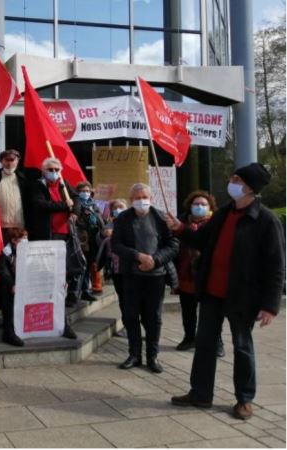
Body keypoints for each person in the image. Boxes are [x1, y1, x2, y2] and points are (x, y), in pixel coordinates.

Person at [168, 163, 285, 420]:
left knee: (242, 347)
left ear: (249, 187)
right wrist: (180, 229)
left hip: (243, 297)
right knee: (205, 344)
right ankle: (200, 393)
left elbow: (276, 266)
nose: (230, 182)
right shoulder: (223, 214)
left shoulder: (266, 220)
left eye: (236, 179)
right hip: (211, 292)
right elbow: (202, 240)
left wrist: (270, 305)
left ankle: (244, 399)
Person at [112, 183, 179, 373]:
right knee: (131, 315)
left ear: (150, 198)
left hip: (156, 276)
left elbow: (173, 245)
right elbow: (116, 244)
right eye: (137, 198)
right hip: (131, 274)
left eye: (144, 197)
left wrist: (155, 260)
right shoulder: (123, 218)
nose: (141, 201)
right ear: (131, 199)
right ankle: (134, 354)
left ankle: (152, 356)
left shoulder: (160, 217)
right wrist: (137, 256)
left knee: (154, 317)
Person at [28, 157, 82, 339]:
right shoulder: (37, 186)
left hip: (64, 237)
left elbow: (76, 200)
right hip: (45, 237)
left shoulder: (64, 184)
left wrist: (74, 212)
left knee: (61, 281)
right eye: (50, 169)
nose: (54, 172)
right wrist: (63, 206)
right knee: (44, 279)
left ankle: (63, 322)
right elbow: (39, 205)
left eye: (57, 168)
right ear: (43, 171)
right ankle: (40, 319)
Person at [173, 191, 224, 357]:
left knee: (212, 312)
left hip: (208, 275)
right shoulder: (180, 224)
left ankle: (217, 342)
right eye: (196, 204)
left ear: (210, 207)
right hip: (186, 274)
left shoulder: (215, 224)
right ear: (190, 206)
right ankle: (189, 338)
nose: (199, 207)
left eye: (203, 204)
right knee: (188, 310)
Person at [0, 149, 31, 244]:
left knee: (19, 255)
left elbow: (28, 202)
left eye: (12, 160)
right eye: (6, 160)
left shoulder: (23, 179)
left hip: (19, 227)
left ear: (17, 161)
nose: (9, 163)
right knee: (2, 255)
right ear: (1, 161)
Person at [96, 198, 128, 337]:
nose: (118, 209)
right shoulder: (108, 224)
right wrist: (102, 235)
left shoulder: (132, 222)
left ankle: (134, 325)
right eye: (116, 207)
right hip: (115, 268)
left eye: (121, 207)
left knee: (132, 299)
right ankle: (127, 325)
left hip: (131, 267)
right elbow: (100, 244)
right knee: (122, 297)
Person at [72, 181, 105, 301]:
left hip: (93, 238)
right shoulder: (77, 203)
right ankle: (74, 291)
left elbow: (100, 219)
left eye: (87, 191)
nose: (85, 193)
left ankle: (85, 290)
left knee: (89, 264)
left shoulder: (94, 205)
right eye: (82, 191)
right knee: (80, 265)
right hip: (82, 239)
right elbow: (76, 217)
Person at [0, 227, 29, 347]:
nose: (26, 241)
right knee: (6, 291)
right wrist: (13, 285)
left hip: (25, 286)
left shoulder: (30, 252)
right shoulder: (5, 254)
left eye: (26, 238)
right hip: (9, 288)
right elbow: (4, 273)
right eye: (23, 238)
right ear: (14, 240)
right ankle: (9, 332)